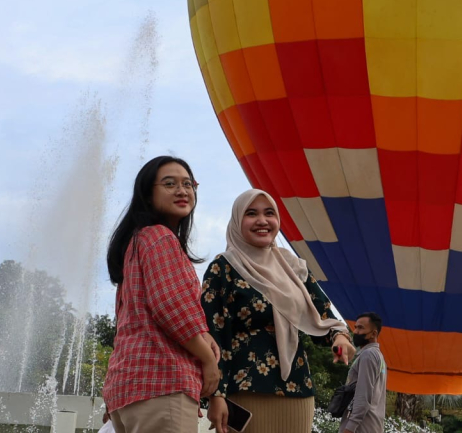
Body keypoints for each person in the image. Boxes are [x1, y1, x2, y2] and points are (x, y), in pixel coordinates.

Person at [202, 189, 356, 433]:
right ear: (237, 220)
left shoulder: (293, 267)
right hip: (244, 389)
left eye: (269, 213)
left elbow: (322, 315)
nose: (262, 221)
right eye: (251, 214)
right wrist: (216, 395)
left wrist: (339, 337)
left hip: (297, 388)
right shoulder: (224, 268)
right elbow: (213, 335)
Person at [102, 156, 221, 433]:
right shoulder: (160, 237)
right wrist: (208, 360)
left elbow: (128, 323)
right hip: (162, 381)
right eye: (169, 184)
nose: (182, 191)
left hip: (127, 387)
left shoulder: (136, 242)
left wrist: (203, 333)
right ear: (147, 193)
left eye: (188, 184)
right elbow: (170, 309)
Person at [339, 312, 387, 433]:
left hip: (361, 428)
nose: (355, 332)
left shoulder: (368, 355)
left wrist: (349, 429)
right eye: (355, 327)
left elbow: (363, 396)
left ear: (373, 334)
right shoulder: (379, 356)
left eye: (361, 328)